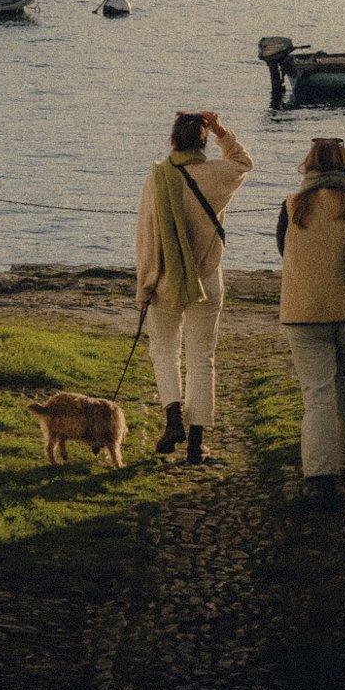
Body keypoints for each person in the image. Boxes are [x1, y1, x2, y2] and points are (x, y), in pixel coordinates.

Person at [135, 110, 253, 464]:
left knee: (164, 351)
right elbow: (243, 161)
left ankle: (173, 419)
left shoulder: (157, 178)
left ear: (172, 140)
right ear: (203, 143)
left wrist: (144, 286)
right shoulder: (218, 175)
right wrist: (220, 131)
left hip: (166, 279)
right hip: (206, 279)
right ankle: (196, 443)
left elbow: (146, 238)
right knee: (202, 359)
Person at [276, 136, 345, 506]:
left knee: (317, 396)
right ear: (344, 163)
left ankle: (321, 474)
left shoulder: (292, 205)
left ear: (309, 165)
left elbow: (282, 249)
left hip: (306, 313)